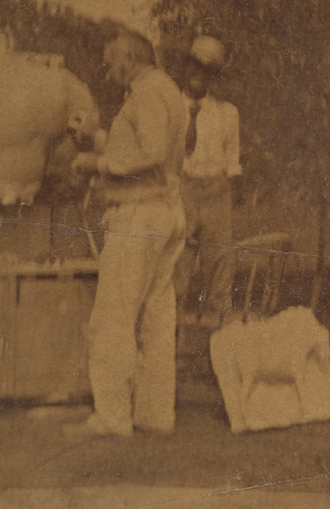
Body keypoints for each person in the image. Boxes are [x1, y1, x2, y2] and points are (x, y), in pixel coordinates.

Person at [66, 31, 187, 437]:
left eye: (109, 61)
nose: (107, 69)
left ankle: (112, 417)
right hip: (164, 212)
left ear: (128, 59)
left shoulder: (149, 92)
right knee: (155, 317)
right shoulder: (165, 91)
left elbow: (149, 152)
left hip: (139, 215)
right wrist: (97, 139)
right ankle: (154, 416)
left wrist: (96, 165)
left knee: (113, 317)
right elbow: (141, 144)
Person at [173, 36, 241, 327]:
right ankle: (168, 354)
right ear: (187, 65)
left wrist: (224, 198)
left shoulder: (227, 113)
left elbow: (232, 164)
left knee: (220, 273)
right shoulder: (170, 106)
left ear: (215, 75)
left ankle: (221, 356)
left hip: (216, 193)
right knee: (176, 271)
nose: (200, 74)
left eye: (208, 69)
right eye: (196, 65)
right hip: (180, 189)